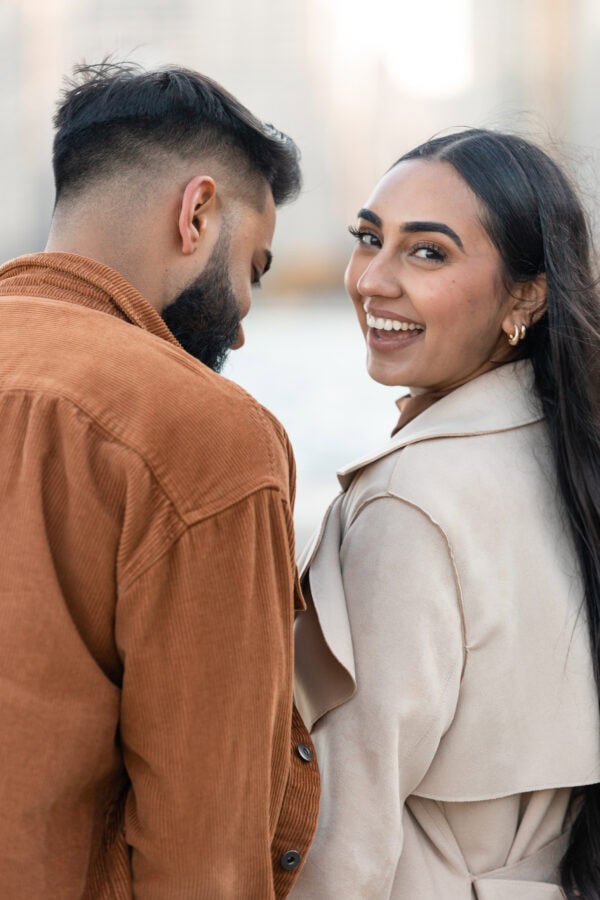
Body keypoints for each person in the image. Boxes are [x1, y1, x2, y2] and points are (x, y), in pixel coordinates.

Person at [0, 61, 319, 898]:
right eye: (254, 270)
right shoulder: (205, 435)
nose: (242, 331)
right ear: (199, 212)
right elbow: (204, 854)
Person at [292, 129, 600, 898]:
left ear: (526, 296)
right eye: (370, 239)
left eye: (427, 252)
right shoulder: (572, 457)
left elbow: (346, 824)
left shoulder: (410, 501)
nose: (372, 280)